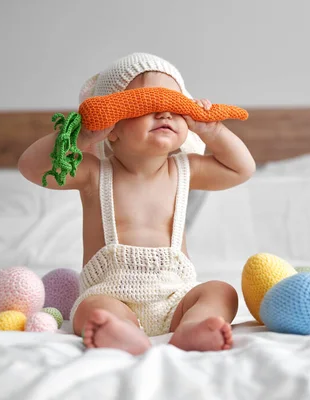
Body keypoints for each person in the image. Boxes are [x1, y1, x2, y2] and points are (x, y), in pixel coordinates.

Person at [18, 53, 256, 355]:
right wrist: (83, 133)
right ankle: (122, 331)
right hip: (111, 293)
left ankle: (192, 326)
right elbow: (31, 167)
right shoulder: (94, 172)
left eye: (174, 106)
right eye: (147, 106)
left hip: (175, 296)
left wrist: (213, 130)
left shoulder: (185, 169)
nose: (165, 114)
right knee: (91, 309)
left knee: (222, 292)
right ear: (112, 127)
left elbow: (242, 169)